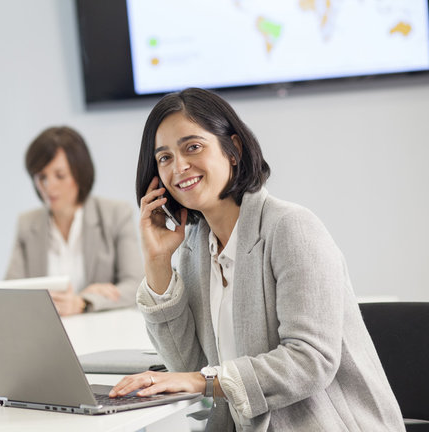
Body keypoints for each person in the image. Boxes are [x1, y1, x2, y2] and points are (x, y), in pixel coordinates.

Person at [110, 88, 404, 431]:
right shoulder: (195, 248)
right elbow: (188, 366)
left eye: (192, 147)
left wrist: (202, 381)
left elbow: (311, 361)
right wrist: (158, 260)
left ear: (233, 150)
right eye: (164, 158)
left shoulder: (290, 227)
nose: (179, 167)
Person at [5, 126, 143, 315]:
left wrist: (83, 302)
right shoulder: (27, 224)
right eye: (41, 177)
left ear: (80, 173)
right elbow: (8, 293)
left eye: (59, 176)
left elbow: (136, 284)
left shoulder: (115, 214)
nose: (48, 186)